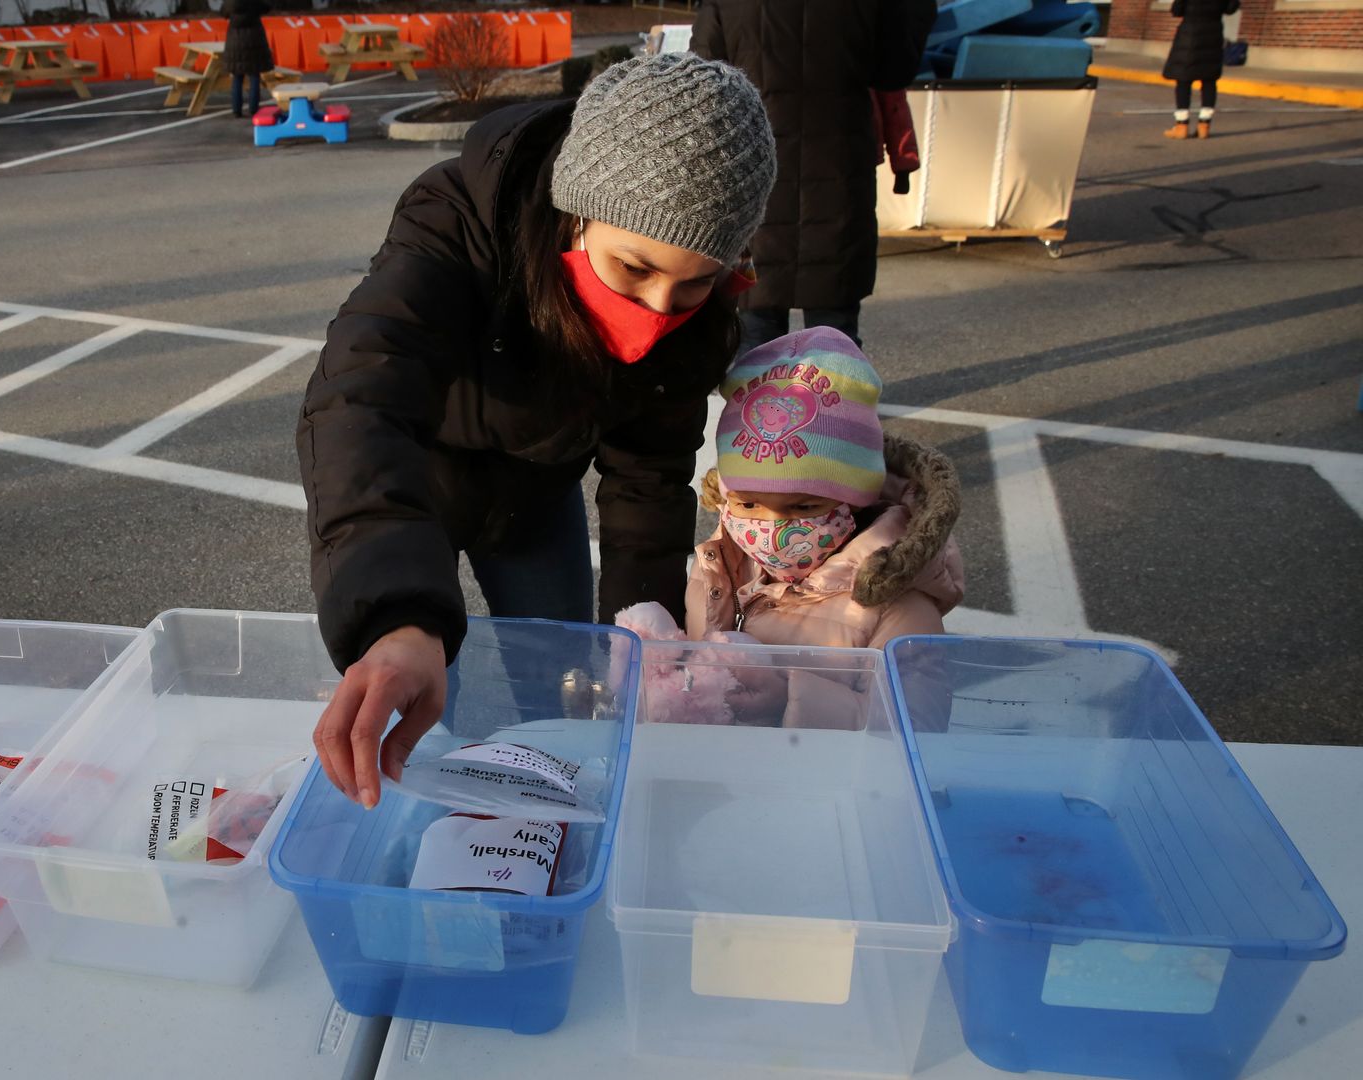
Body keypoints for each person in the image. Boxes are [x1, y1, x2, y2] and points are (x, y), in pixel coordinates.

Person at [298, 54, 778, 808]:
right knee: (424, 671)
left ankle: (540, 802)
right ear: (578, 210)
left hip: (534, 491)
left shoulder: (700, 312)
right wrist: (397, 615)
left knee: (564, 670)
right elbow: (362, 396)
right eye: (632, 268)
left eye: (693, 283)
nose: (659, 310)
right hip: (421, 472)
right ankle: (450, 800)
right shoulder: (459, 221)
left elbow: (648, 475)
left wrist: (643, 633)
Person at [674, 326, 962, 727]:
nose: (771, 526)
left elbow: (918, 724)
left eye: (804, 505)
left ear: (854, 501)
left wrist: (791, 699)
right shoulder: (718, 566)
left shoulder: (897, 605)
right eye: (748, 503)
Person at [691, 0, 936, 353]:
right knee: (833, 346)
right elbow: (894, 70)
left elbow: (703, 78)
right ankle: (831, 409)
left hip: (754, 183)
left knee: (757, 342)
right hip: (839, 183)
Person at [1163, 0, 1240, 139]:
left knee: (1183, 81)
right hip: (1213, 35)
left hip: (1189, 36)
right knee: (1209, 80)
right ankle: (1204, 125)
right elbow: (1231, 8)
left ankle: (1182, 125)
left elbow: (1176, 10)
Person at [225, 0, 275, 119]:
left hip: (235, 41)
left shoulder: (231, 3)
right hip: (254, 40)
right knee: (254, 77)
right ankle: (254, 109)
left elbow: (223, 12)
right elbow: (267, 7)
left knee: (237, 78)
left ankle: (236, 110)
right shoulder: (255, 3)